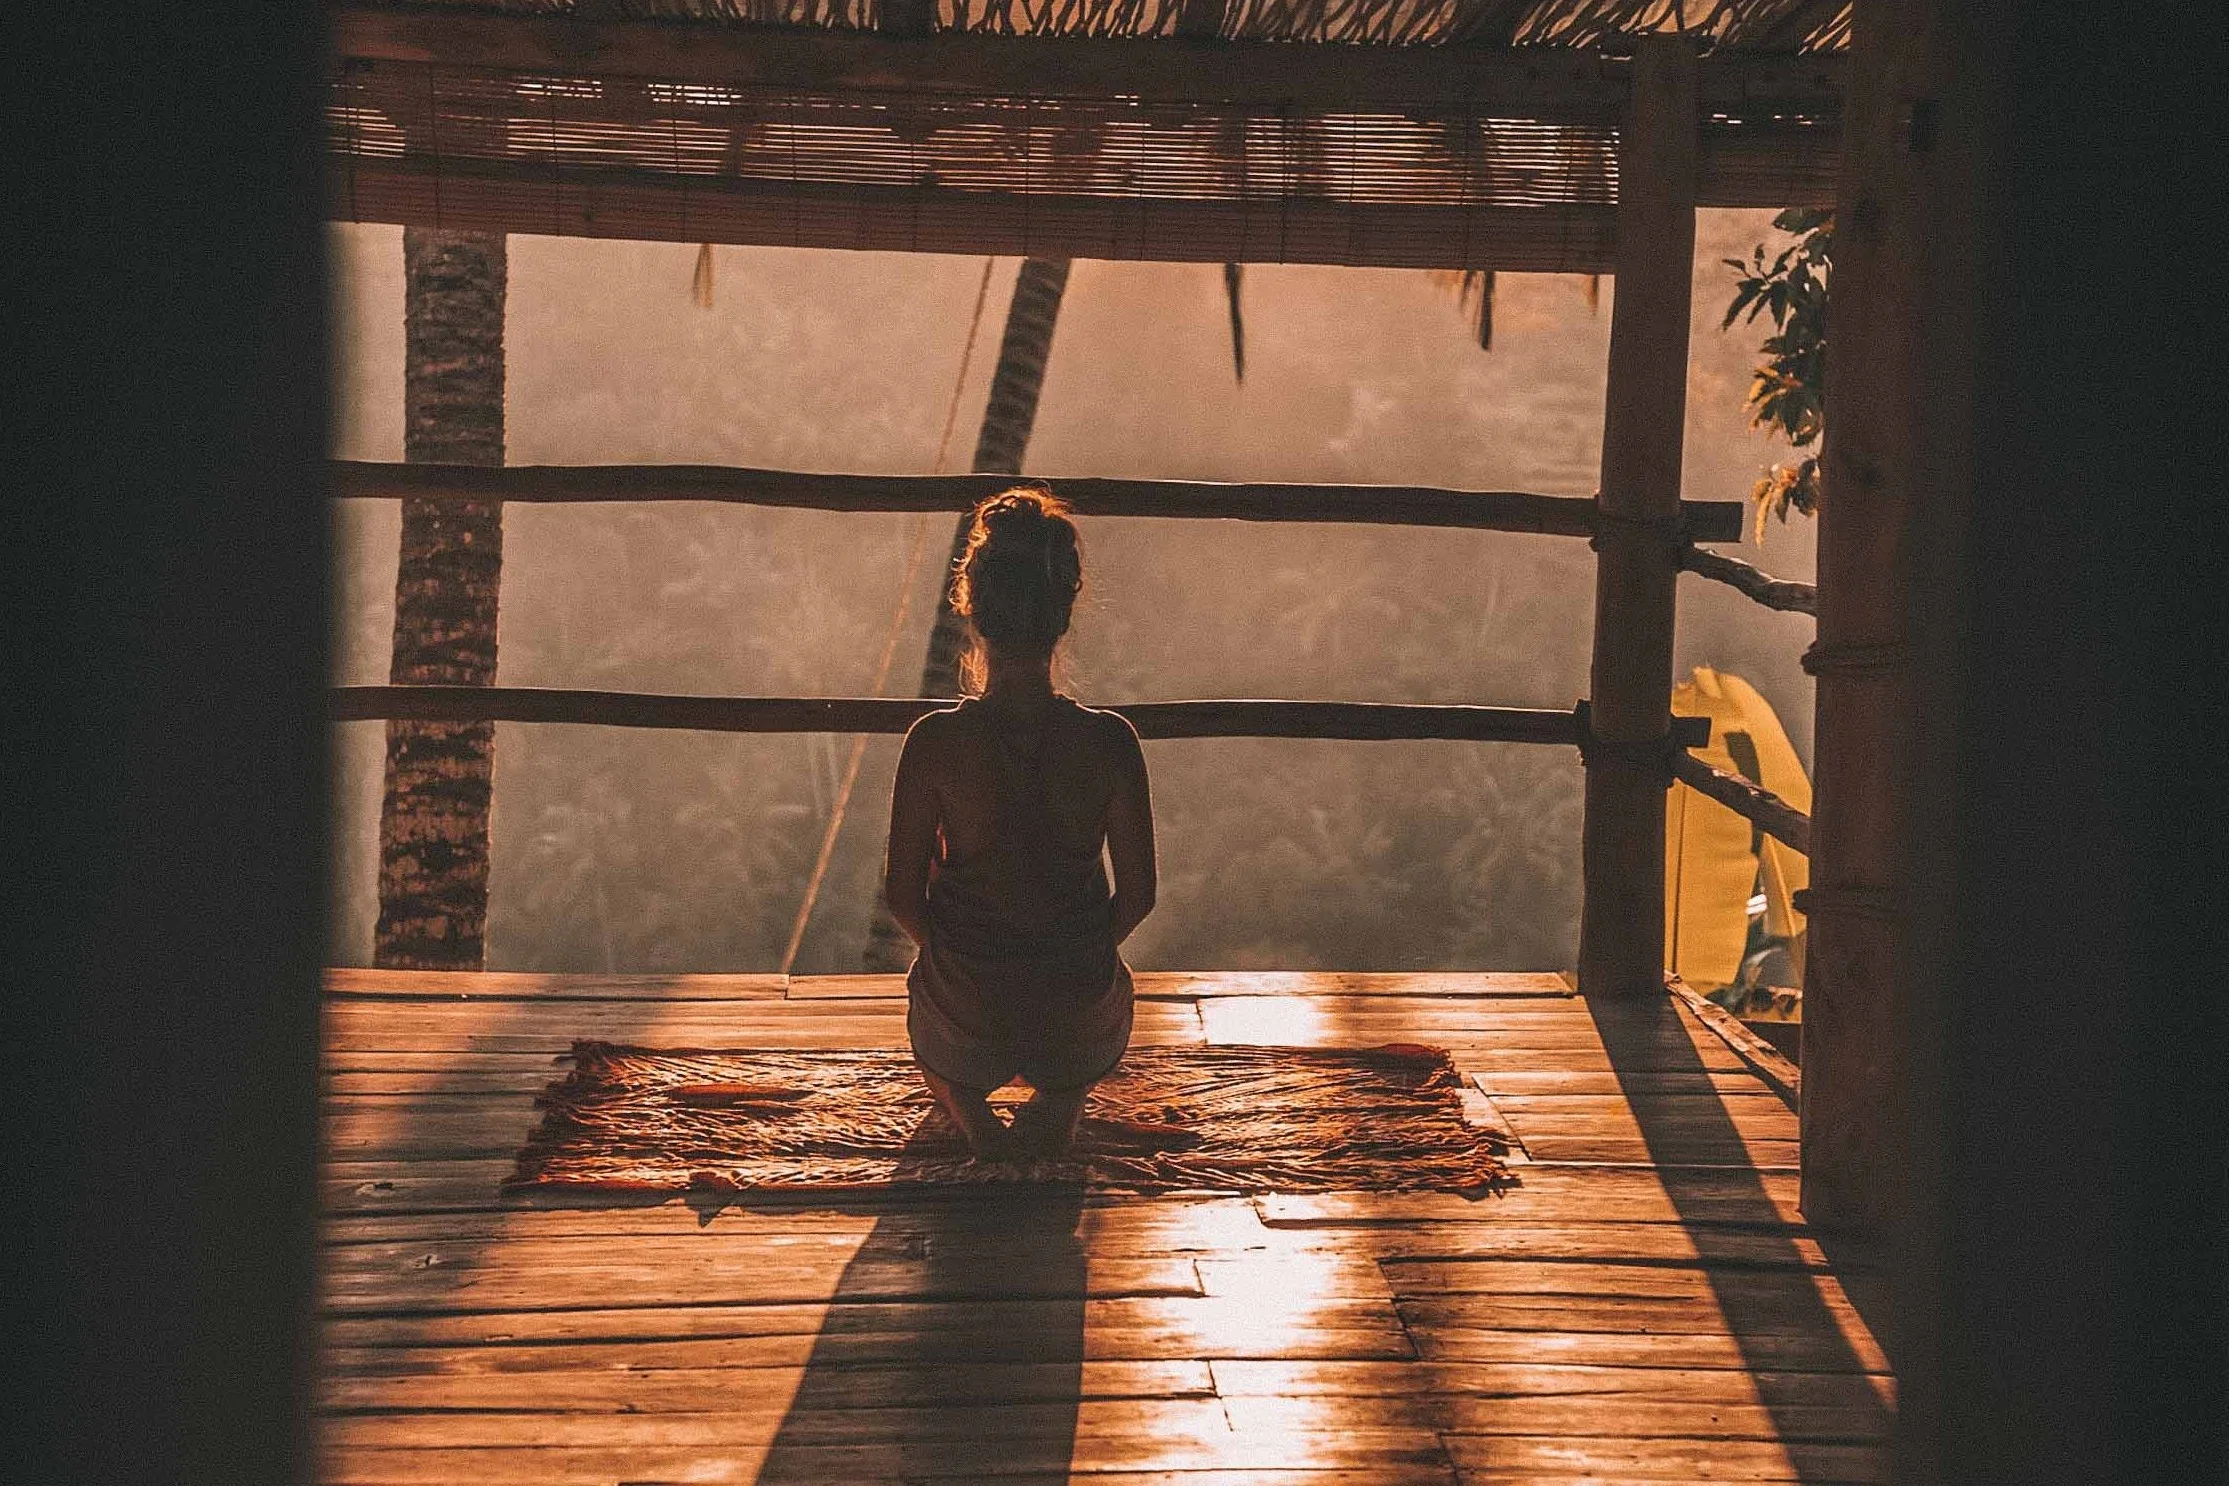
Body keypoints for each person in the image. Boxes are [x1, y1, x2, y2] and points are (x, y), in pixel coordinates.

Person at [883, 488, 1156, 1161]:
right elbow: (1139, 895)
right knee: (1102, 997)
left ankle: (968, 1108)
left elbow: (903, 897)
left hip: (968, 1013)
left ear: (972, 608)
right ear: (1063, 612)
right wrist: (1072, 953)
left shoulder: (934, 744)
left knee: (935, 1020)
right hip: (1074, 1017)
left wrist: (962, 958)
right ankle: (1065, 1096)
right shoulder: (1110, 743)